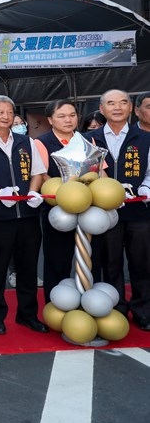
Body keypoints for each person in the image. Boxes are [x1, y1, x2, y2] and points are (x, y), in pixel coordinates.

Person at [0, 95, 48, 335]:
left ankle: (27, 315)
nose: (6, 117)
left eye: (10, 112)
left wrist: (33, 192)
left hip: (27, 215)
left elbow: (38, 171)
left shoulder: (26, 141)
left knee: (28, 267)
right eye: (1, 112)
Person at [85, 90, 150, 330]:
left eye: (123, 102)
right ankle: (116, 307)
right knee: (109, 262)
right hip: (105, 214)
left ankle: (143, 310)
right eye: (110, 103)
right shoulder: (89, 139)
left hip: (139, 212)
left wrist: (144, 188)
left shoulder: (144, 138)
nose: (117, 107)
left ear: (131, 109)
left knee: (141, 262)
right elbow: (84, 173)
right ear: (102, 109)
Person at [33, 100, 89, 299]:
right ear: (50, 120)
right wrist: (68, 193)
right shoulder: (41, 142)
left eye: (72, 115)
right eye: (62, 116)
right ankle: (55, 303)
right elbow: (42, 176)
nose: (68, 120)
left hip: (87, 207)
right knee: (58, 259)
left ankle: (87, 300)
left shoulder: (86, 140)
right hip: (57, 209)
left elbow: (100, 171)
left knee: (88, 257)